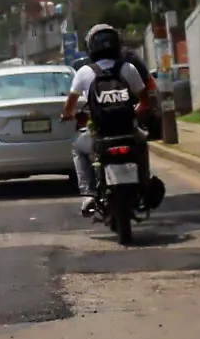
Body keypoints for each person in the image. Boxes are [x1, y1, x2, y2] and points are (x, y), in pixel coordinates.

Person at [60, 24, 151, 216]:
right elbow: (145, 101)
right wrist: (132, 114)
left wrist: (69, 115)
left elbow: (69, 107)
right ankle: (145, 187)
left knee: (78, 148)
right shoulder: (128, 68)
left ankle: (88, 194)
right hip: (128, 132)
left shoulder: (84, 72)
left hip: (99, 134)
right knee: (142, 145)